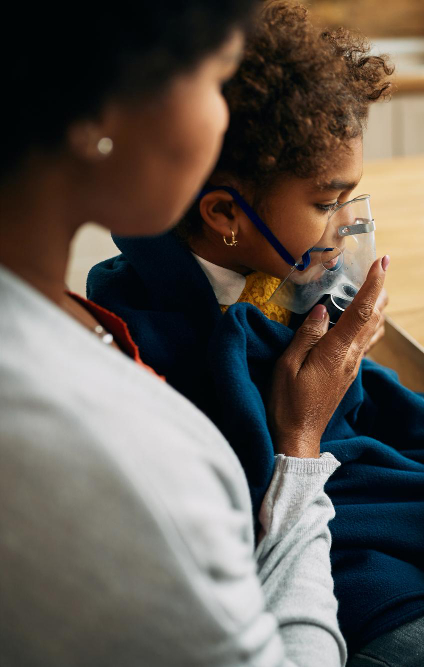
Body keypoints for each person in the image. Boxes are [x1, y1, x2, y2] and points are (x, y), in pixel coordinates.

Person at [85, 3, 424, 666]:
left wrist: (347, 355)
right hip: (321, 542)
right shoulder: (148, 330)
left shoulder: (276, 273)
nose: (343, 227)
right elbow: (245, 496)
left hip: (378, 498)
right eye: (326, 203)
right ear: (224, 214)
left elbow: (361, 415)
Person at [0, 2, 387, 664]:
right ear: (101, 106)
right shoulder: (118, 457)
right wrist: (299, 446)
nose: (223, 112)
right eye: (216, 77)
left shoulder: (57, 315)